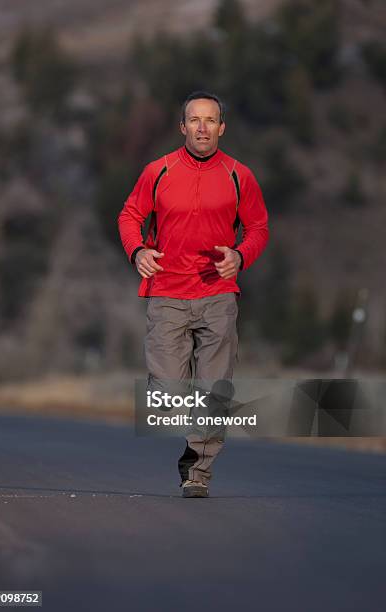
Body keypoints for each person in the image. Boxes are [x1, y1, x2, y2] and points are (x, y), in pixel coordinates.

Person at [118, 91, 269, 498]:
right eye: (194, 120)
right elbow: (130, 215)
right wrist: (138, 250)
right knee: (167, 392)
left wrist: (240, 256)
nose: (203, 127)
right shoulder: (159, 171)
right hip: (167, 292)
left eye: (210, 120)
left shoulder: (240, 175)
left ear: (222, 127)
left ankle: (197, 471)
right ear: (183, 126)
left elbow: (258, 229)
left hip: (218, 293)